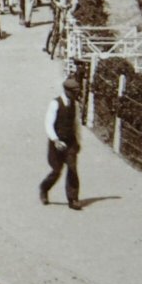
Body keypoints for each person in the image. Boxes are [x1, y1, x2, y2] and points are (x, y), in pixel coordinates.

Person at [40, 78, 83, 210]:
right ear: (66, 91)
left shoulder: (75, 105)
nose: (76, 94)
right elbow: (48, 123)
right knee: (57, 170)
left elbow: (76, 124)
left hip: (70, 141)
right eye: (74, 92)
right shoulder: (55, 103)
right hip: (57, 142)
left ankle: (73, 199)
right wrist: (55, 140)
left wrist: (78, 141)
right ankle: (44, 188)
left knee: (72, 169)